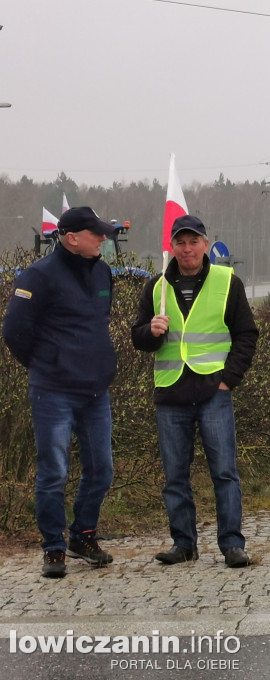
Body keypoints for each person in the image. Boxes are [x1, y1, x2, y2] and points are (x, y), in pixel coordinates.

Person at [131, 214, 258, 568]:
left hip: (213, 392)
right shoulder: (156, 287)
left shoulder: (227, 282)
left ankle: (232, 544)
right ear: (172, 246)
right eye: (180, 242)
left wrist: (229, 379)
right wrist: (150, 332)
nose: (187, 249)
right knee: (175, 476)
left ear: (205, 244)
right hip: (171, 394)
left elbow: (247, 335)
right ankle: (184, 543)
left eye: (193, 242)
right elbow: (137, 337)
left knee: (224, 472)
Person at [3, 207, 118, 579]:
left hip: (96, 392)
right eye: (96, 233)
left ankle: (82, 535)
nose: (103, 238)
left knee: (101, 468)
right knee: (54, 472)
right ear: (71, 238)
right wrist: (46, 365)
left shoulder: (103, 272)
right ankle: (53, 548)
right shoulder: (38, 276)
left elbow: (98, 323)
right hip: (53, 392)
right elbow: (14, 331)